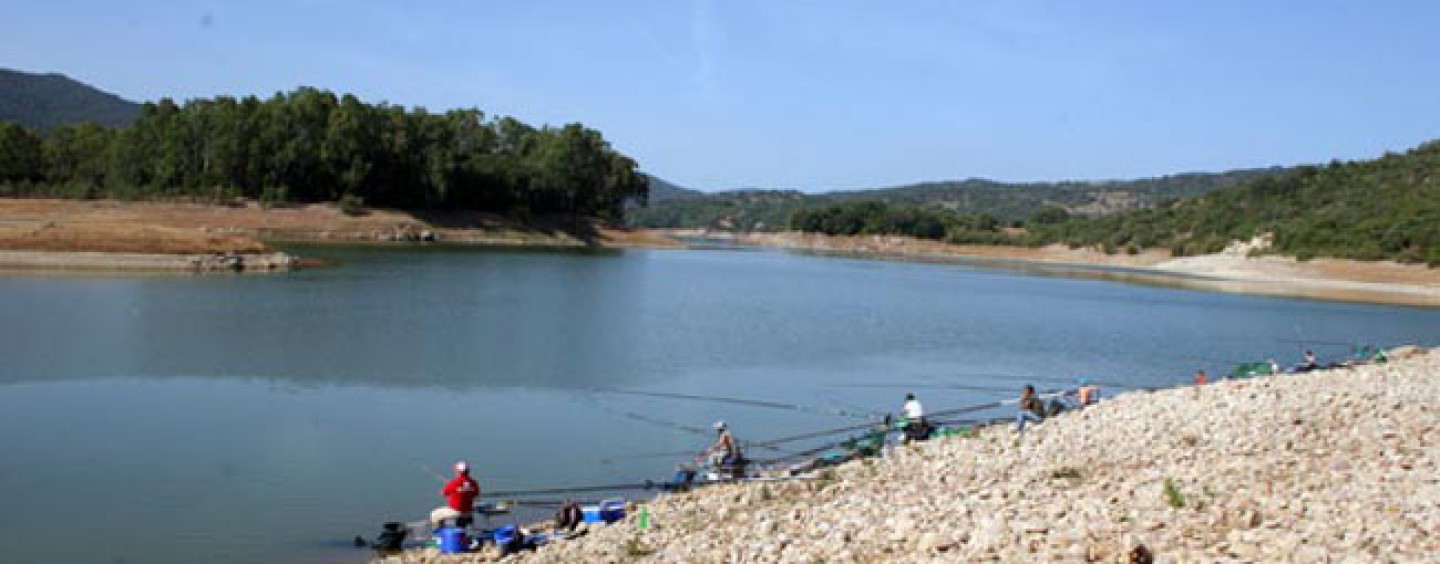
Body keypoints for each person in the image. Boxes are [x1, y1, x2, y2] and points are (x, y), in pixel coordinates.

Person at [430, 461, 481, 529]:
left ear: (457, 471)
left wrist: (452, 487)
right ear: (468, 471)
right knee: (461, 516)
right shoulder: (474, 482)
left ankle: (439, 533)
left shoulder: (454, 483)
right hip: (469, 511)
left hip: (456, 511)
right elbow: (476, 494)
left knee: (434, 514)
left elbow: (443, 493)